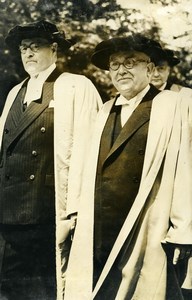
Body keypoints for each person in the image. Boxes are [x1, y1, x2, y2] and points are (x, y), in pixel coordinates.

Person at [60, 34, 192, 300]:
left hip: (147, 223)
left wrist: (186, 230)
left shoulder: (175, 106)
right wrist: (76, 213)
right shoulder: (106, 110)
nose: (121, 70)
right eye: (115, 65)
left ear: (150, 68)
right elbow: (85, 167)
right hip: (101, 226)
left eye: (130, 62)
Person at [0, 20, 102, 300]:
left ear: (54, 49)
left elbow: (87, 152)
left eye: (36, 47)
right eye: (24, 49)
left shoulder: (74, 87)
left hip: (45, 213)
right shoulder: (14, 93)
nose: (29, 54)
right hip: (8, 214)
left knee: (43, 290)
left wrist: (75, 210)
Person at [150, 47, 192, 300]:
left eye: (162, 68)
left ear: (170, 70)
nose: (157, 73)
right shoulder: (143, 97)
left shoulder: (183, 95)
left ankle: (189, 280)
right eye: (153, 67)